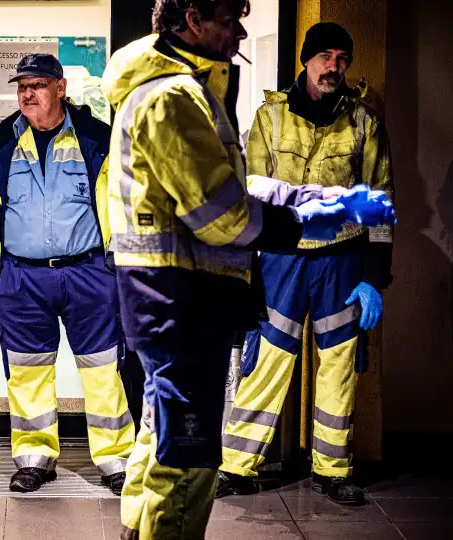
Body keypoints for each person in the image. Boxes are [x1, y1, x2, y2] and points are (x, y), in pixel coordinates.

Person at [100, 1, 395, 537]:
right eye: (229, 18)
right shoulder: (174, 97)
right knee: (186, 458)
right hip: (181, 297)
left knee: (161, 434)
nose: (239, 31)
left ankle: (138, 530)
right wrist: (304, 222)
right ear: (193, 19)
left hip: (184, 294)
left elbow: (242, 185)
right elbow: (223, 212)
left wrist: (323, 205)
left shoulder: (189, 89)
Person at [217, 22, 393, 506]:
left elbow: (380, 204)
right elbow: (248, 196)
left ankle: (333, 471)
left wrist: (374, 277)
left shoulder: (363, 122)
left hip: (341, 260)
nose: (333, 66)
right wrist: (243, 269)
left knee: (337, 364)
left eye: (341, 58)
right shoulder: (270, 119)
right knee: (268, 362)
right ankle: (236, 466)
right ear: (306, 61)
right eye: (324, 57)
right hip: (280, 259)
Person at [0, 53, 135, 496]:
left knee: (101, 371)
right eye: (22, 86)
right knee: (27, 372)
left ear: (60, 88)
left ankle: (115, 460)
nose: (27, 93)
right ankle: (35, 457)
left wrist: (115, 267)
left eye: (37, 84)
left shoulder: (99, 141)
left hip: (88, 274)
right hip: (20, 280)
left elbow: (124, 205)